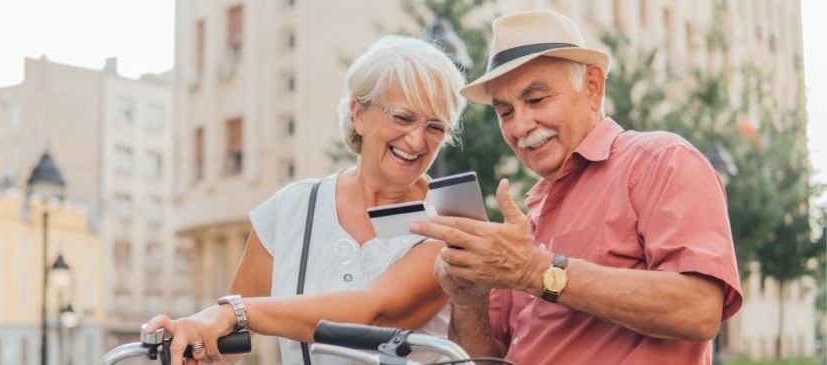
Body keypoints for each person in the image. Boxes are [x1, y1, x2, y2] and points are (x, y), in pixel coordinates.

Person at [409, 10, 743, 365]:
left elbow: (698, 309)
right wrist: (468, 301)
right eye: (505, 112)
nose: (520, 126)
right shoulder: (526, 221)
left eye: (536, 100)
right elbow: (486, 358)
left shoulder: (660, 160)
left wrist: (536, 272)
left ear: (593, 88)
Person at [146, 34, 466, 365]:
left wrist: (233, 312)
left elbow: (376, 312)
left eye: (434, 127)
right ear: (358, 113)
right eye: (402, 117)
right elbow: (226, 345)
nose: (416, 140)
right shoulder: (290, 209)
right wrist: (195, 343)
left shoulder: (450, 219)